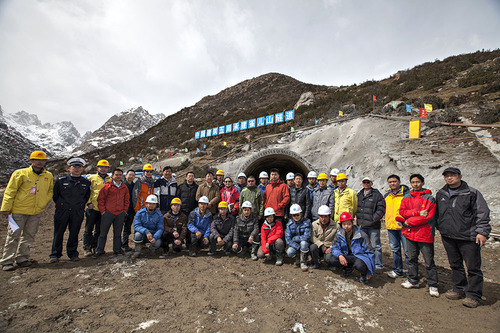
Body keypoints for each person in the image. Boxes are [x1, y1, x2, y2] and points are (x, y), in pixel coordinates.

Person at [436, 167, 491, 308]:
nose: (449, 178)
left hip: (468, 235)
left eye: (452, 175)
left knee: (473, 267)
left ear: (459, 176)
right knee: (455, 264)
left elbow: (482, 212)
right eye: (447, 176)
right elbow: (437, 213)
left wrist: (482, 232)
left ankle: (473, 294)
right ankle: (459, 288)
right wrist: (440, 226)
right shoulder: (441, 194)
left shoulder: (471, 193)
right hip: (448, 235)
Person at [399, 174, 439, 297]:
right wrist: (416, 213)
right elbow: (402, 212)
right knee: (411, 258)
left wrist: (408, 221)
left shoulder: (429, 198)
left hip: (424, 233)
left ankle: (433, 284)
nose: (415, 184)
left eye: (418, 182)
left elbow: (427, 217)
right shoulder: (406, 197)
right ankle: (413, 280)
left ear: (422, 183)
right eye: (413, 182)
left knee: (428, 261)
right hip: (410, 234)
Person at [49, 157, 91, 263]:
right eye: (74, 167)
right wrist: (62, 205)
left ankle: (72, 253)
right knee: (59, 232)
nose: (77, 169)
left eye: (79, 167)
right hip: (62, 210)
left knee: (74, 232)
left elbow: (86, 196)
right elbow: (55, 196)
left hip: (77, 211)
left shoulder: (86, 182)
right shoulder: (61, 181)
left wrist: (79, 205)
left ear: (82, 169)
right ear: (69, 168)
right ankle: (55, 254)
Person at [330, 212, 375, 283]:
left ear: (352, 223)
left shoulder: (361, 235)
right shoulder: (339, 235)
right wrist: (340, 255)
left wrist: (370, 271)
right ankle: (347, 267)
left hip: (359, 257)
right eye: (344, 224)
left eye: (348, 224)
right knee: (333, 259)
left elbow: (370, 252)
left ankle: (363, 274)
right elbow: (335, 247)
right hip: (347, 256)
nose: (346, 226)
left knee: (359, 265)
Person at [95, 168, 130, 257]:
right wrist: (103, 211)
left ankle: (117, 249)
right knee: (103, 233)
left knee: (118, 233)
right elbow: (101, 199)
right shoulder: (107, 186)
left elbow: (126, 200)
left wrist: (124, 210)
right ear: (112, 176)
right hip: (108, 213)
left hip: (120, 213)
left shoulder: (124, 187)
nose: (118, 177)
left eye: (120, 175)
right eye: (116, 175)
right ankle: (99, 250)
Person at [356, 176, 386, 270]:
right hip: (362, 225)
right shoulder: (359, 195)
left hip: (373, 226)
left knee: (375, 246)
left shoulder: (377, 195)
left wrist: (373, 219)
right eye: (364, 182)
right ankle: (366, 262)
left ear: (371, 183)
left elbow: (381, 208)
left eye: (368, 182)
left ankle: (378, 265)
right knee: (363, 245)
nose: (366, 184)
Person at [384, 174, 410, 278]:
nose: (392, 184)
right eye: (390, 182)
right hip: (391, 227)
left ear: (399, 182)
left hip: (404, 227)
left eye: (394, 181)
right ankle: (397, 270)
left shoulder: (406, 194)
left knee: (408, 251)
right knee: (395, 250)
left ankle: (411, 273)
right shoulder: (387, 195)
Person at [83, 159, 111, 257]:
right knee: (88, 229)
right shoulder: (91, 178)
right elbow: (86, 193)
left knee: (99, 230)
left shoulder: (110, 180)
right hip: (92, 207)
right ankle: (87, 247)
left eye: (105, 167)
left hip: (103, 209)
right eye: (101, 167)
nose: (103, 169)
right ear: (97, 168)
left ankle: (96, 247)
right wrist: (88, 203)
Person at [285, 204, 311, 271]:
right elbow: (288, 239)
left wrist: (294, 239)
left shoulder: (307, 222)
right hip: (295, 245)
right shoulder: (289, 224)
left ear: (301, 214)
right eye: (294, 215)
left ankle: (303, 262)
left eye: (297, 215)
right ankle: (298, 257)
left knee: (303, 243)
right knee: (289, 252)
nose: (296, 217)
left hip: (304, 244)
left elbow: (307, 236)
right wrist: (297, 246)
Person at [309, 205, 337, 269]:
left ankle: (330, 263)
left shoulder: (336, 226)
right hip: (319, 246)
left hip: (329, 248)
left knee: (329, 258)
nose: (323, 219)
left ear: (329, 216)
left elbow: (339, 240)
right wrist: (321, 245)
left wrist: (331, 248)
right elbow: (312, 237)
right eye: (321, 217)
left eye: (326, 217)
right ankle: (316, 262)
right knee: (313, 247)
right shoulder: (314, 224)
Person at [121, 169, 136, 252]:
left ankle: (125, 244)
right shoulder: (122, 184)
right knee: (119, 228)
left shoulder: (134, 185)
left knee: (127, 228)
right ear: (126, 175)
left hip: (131, 209)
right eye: (130, 175)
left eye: (133, 175)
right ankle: (119, 245)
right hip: (121, 209)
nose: (131, 177)